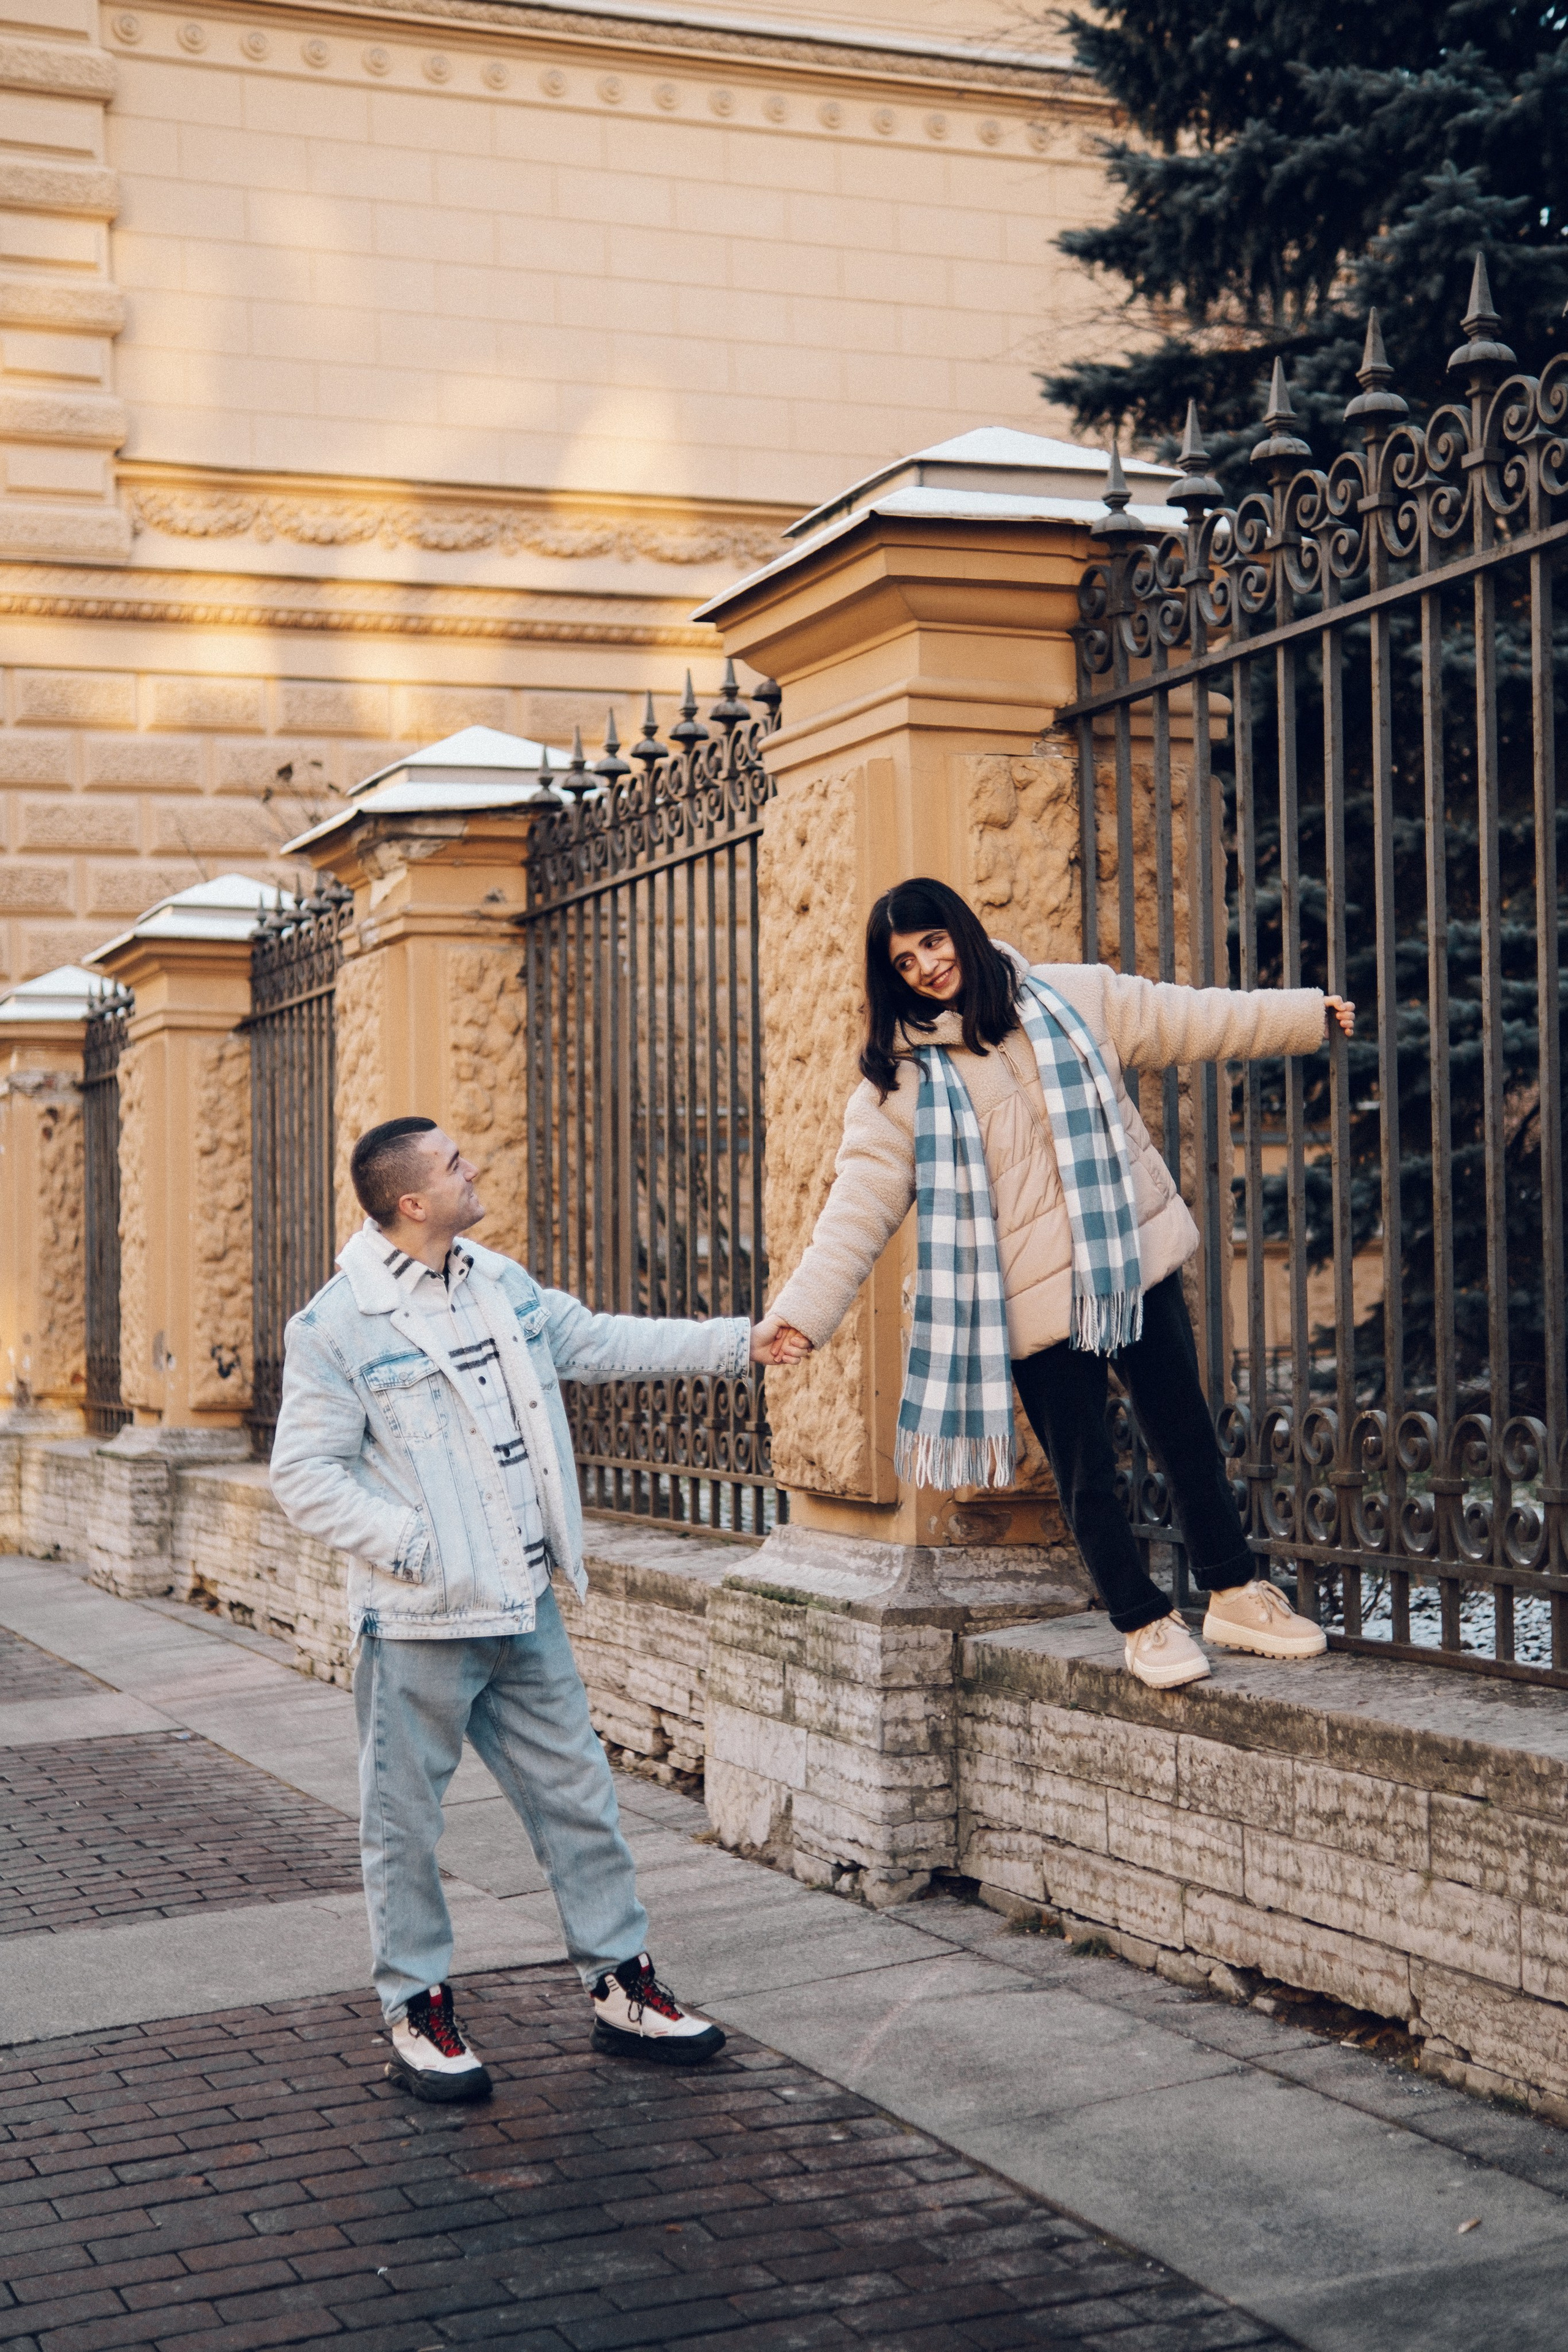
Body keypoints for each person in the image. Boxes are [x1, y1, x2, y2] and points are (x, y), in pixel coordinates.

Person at [271, 1115, 806, 2103]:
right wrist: (419, 1550)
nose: (474, 1170)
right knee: (405, 1826)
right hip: (422, 1620)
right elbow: (303, 1476)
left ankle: (620, 1984)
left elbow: (599, 1340)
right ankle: (417, 2003)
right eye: (454, 1164)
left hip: (524, 1603)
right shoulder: (337, 1325)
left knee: (580, 1801)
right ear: (411, 1203)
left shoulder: (497, 1281)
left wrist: (742, 1341)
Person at [764, 878, 1355, 1692]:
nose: (926, 967)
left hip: (1130, 1261)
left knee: (1184, 1431)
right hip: (1026, 1303)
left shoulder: (1076, 997)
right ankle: (1143, 1622)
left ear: (960, 932)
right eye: (904, 962)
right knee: (1087, 1473)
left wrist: (1301, 1016)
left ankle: (1233, 1592)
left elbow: (1188, 1017)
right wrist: (802, 1314)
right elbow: (855, 1209)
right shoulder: (897, 1085)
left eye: (933, 942)